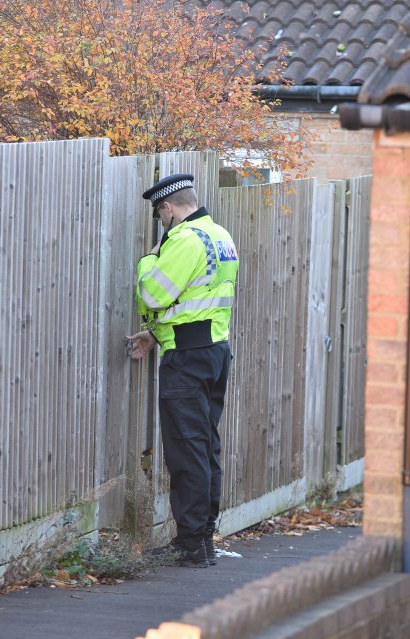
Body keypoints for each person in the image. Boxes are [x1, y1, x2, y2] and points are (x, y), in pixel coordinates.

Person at [126, 173, 239, 568]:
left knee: (187, 448)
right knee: (206, 446)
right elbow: (196, 302)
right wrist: (156, 334)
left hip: (187, 361)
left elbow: (154, 292)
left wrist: (148, 257)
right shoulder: (220, 235)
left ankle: (191, 544)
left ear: (168, 208)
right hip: (213, 351)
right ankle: (203, 537)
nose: (161, 225)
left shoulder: (184, 240)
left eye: (160, 216)